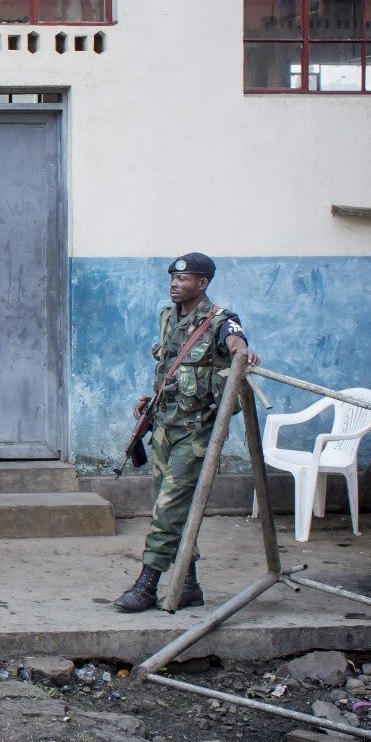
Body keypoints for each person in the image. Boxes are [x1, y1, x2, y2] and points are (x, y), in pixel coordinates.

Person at [113, 253, 260, 613]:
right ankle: (190, 585)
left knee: (167, 508)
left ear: (203, 283)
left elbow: (235, 342)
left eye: (183, 279)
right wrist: (154, 397)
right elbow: (170, 365)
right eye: (172, 279)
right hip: (163, 426)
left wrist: (243, 353)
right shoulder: (168, 317)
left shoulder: (221, 321)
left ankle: (146, 586)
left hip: (195, 433)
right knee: (172, 508)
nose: (174, 284)